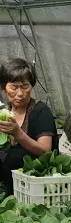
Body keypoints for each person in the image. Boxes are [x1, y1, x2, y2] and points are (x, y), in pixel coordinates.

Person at [0, 58, 57, 194]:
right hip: (8, 182)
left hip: (35, 181)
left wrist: (18, 134)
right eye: (14, 87)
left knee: (16, 155)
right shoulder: (4, 112)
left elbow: (45, 151)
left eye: (25, 86)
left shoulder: (40, 111)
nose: (20, 93)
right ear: (3, 88)